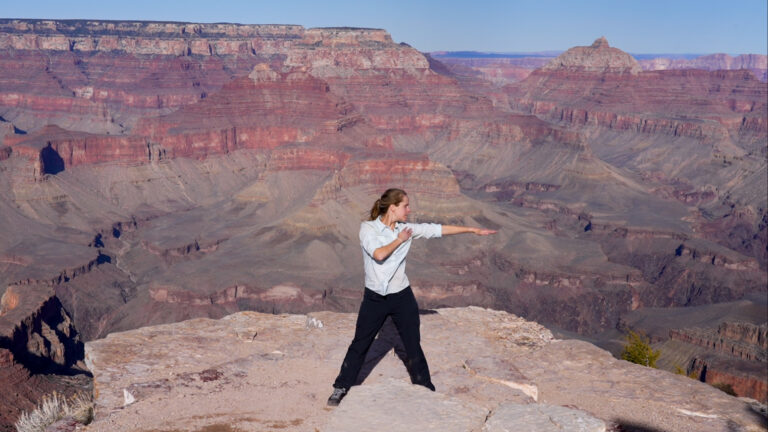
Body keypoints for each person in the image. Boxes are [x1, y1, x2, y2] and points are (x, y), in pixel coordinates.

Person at [327, 188, 497, 406]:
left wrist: (472, 230)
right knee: (361, 343)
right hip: (375, 298)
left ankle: (425, 388)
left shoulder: (406, 228)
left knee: (412, 343)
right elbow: (378, 254)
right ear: (393, 208)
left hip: (401, 296)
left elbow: (437, 229)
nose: (409, 209)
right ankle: (341, 386)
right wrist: (399, 240)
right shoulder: (367, 229)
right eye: (405, 205)